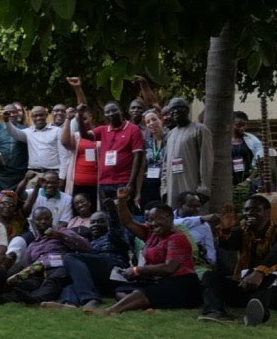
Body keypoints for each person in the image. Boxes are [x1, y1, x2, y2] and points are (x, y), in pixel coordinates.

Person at [87, 187, 200, 315]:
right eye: (150, 220)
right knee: (121, 291)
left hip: (181, 282)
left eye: (159, 219)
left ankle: (110, 311)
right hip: (157, 280)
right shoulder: (151, 233)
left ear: (170, 218)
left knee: (140, 293)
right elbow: (128, 222)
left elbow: (169, 268)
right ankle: (148, 307)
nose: (153, 223)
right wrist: (122, 200)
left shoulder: (177, 238)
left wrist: (137, 270)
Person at [200, 195, 277, 325]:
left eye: (255, 209)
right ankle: (214, 311)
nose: (249, 213)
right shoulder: (243, 231)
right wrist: (225, 229)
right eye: (246, 210)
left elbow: (275, 255)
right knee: (209, 276)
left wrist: (259, 272)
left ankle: (257, 314)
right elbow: (228, 245)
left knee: (268, 279)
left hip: (271, 288)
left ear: (268, 212)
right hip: (245, 285)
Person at [77, 101, 145, 209]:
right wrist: (80, 116)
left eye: (114, 110)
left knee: (123, 215)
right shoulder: (103, 130)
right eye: (107, 112)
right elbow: (85, 135)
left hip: (123, 181)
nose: (111, 114)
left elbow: (138, 156)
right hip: (104, 182)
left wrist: (131, 183)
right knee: (107, 216)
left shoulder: (133, 129)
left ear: (121, 111)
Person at [160, 98, 213, 209]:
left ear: (187, 110)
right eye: (172, 109)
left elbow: (206, 160)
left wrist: (203, 190)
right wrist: (164, 190)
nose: (175, 111)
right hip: (172, 187)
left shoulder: (199, 130)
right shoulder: (170, 135)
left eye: (179, 108)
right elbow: (165, 164)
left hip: (192, 185)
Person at [0, 104, 29, 194]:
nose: (11, 115)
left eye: (13, 112)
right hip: (1, 175)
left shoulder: (25, 130)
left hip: (19, 173)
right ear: (3, 114)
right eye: (7, 113)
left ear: (17, 114)